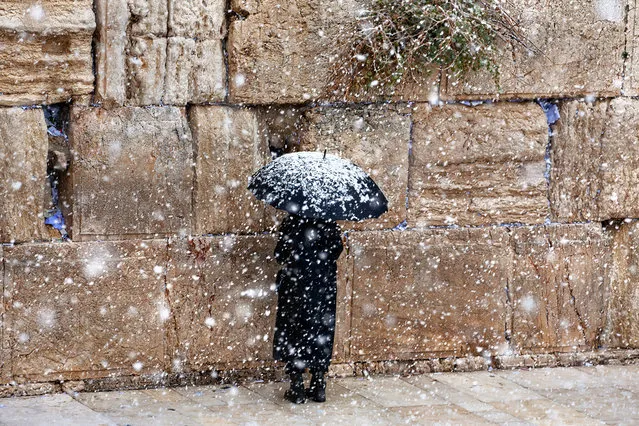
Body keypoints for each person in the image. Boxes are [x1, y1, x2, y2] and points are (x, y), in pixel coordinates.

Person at [273, 214, 343, 404]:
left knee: (294, 331)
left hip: (296, 286)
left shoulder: (293, 221)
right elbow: (336, 251)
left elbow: (280, 254)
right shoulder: (330, 223)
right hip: (323, 287)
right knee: (321, 331)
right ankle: (318, 384)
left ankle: (297, 386)